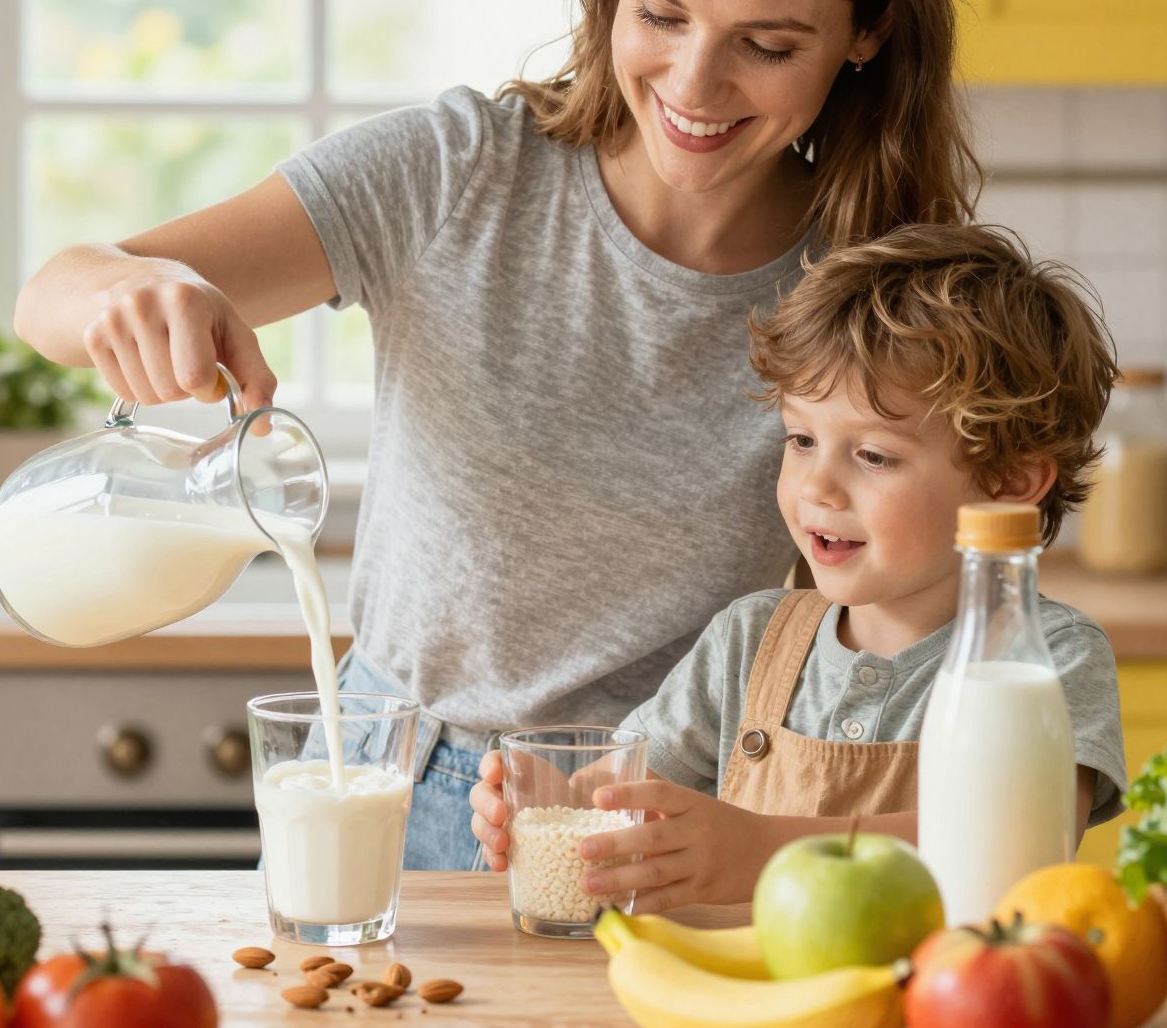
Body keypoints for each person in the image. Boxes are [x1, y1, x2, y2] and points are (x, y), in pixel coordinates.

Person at [13, 0, 979, 869]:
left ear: (867, 32)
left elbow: (932, 621)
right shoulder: (459, 175)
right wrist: (139, 291)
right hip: (394, 783)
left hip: (671, 821)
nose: (693, 84)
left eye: (766, 46)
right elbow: (55, 292)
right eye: (658, 13)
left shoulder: (873, 288)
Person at [468, 224, 1129, 912]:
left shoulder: (1044, 662)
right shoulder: (748, 642)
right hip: (758, 1004)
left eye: (873, 455)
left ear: (1010, 481)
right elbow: (614, 798)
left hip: (952, 1004)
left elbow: (1019, 842)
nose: (817, 489)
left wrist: (759, 853)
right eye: (802, 439)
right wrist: (555, 801)